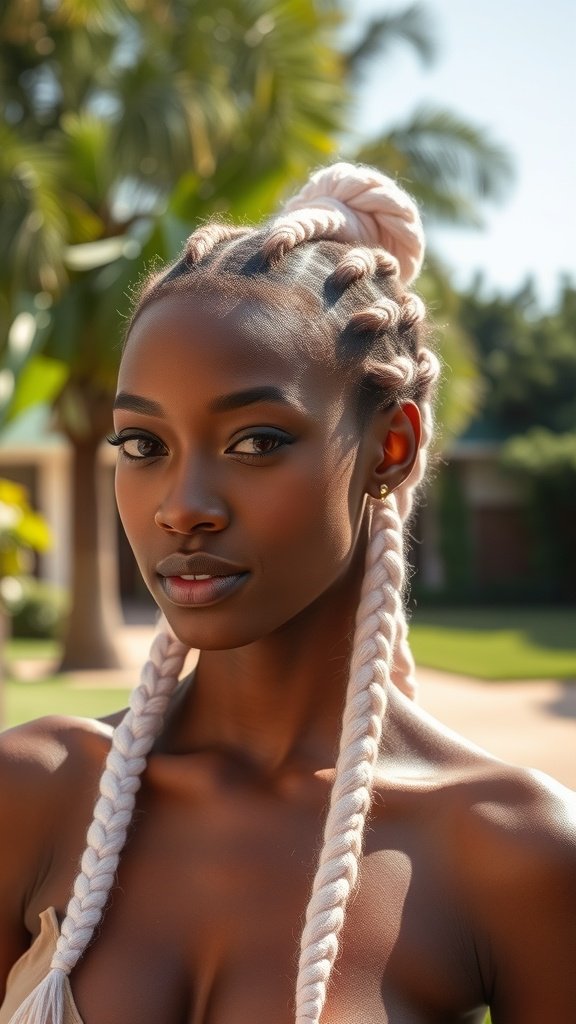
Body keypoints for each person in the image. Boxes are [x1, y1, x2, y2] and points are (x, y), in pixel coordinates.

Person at [0, 162, 574, 1024]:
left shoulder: (509, 850)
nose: (183, 507)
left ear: (392, 448)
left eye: (255, 441)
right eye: (143, 445)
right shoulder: (33, 795)